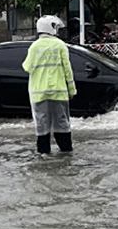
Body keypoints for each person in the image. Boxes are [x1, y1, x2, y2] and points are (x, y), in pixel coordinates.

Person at [22, 15, 77, 154]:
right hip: (59, 92)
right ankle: (66, 153)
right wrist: (72, 90)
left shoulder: (34, 47)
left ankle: (44, 155)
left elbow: (27, 67)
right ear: (51, 28)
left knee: (42, 127)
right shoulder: (60, 45)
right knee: (62, 124)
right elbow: (68, 70)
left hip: (39, 94)